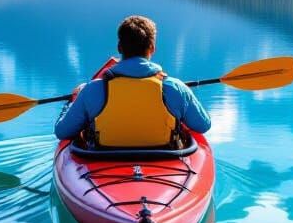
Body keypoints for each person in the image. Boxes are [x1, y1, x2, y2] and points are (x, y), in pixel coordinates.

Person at [54, 15, 211, 147]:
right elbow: (203, 125)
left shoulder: (92, 90)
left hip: (102, 162)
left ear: (120, 48)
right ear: (152, 48)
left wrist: (72, 102)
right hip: (164, 160)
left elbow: (62, 132)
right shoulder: (175, 88)